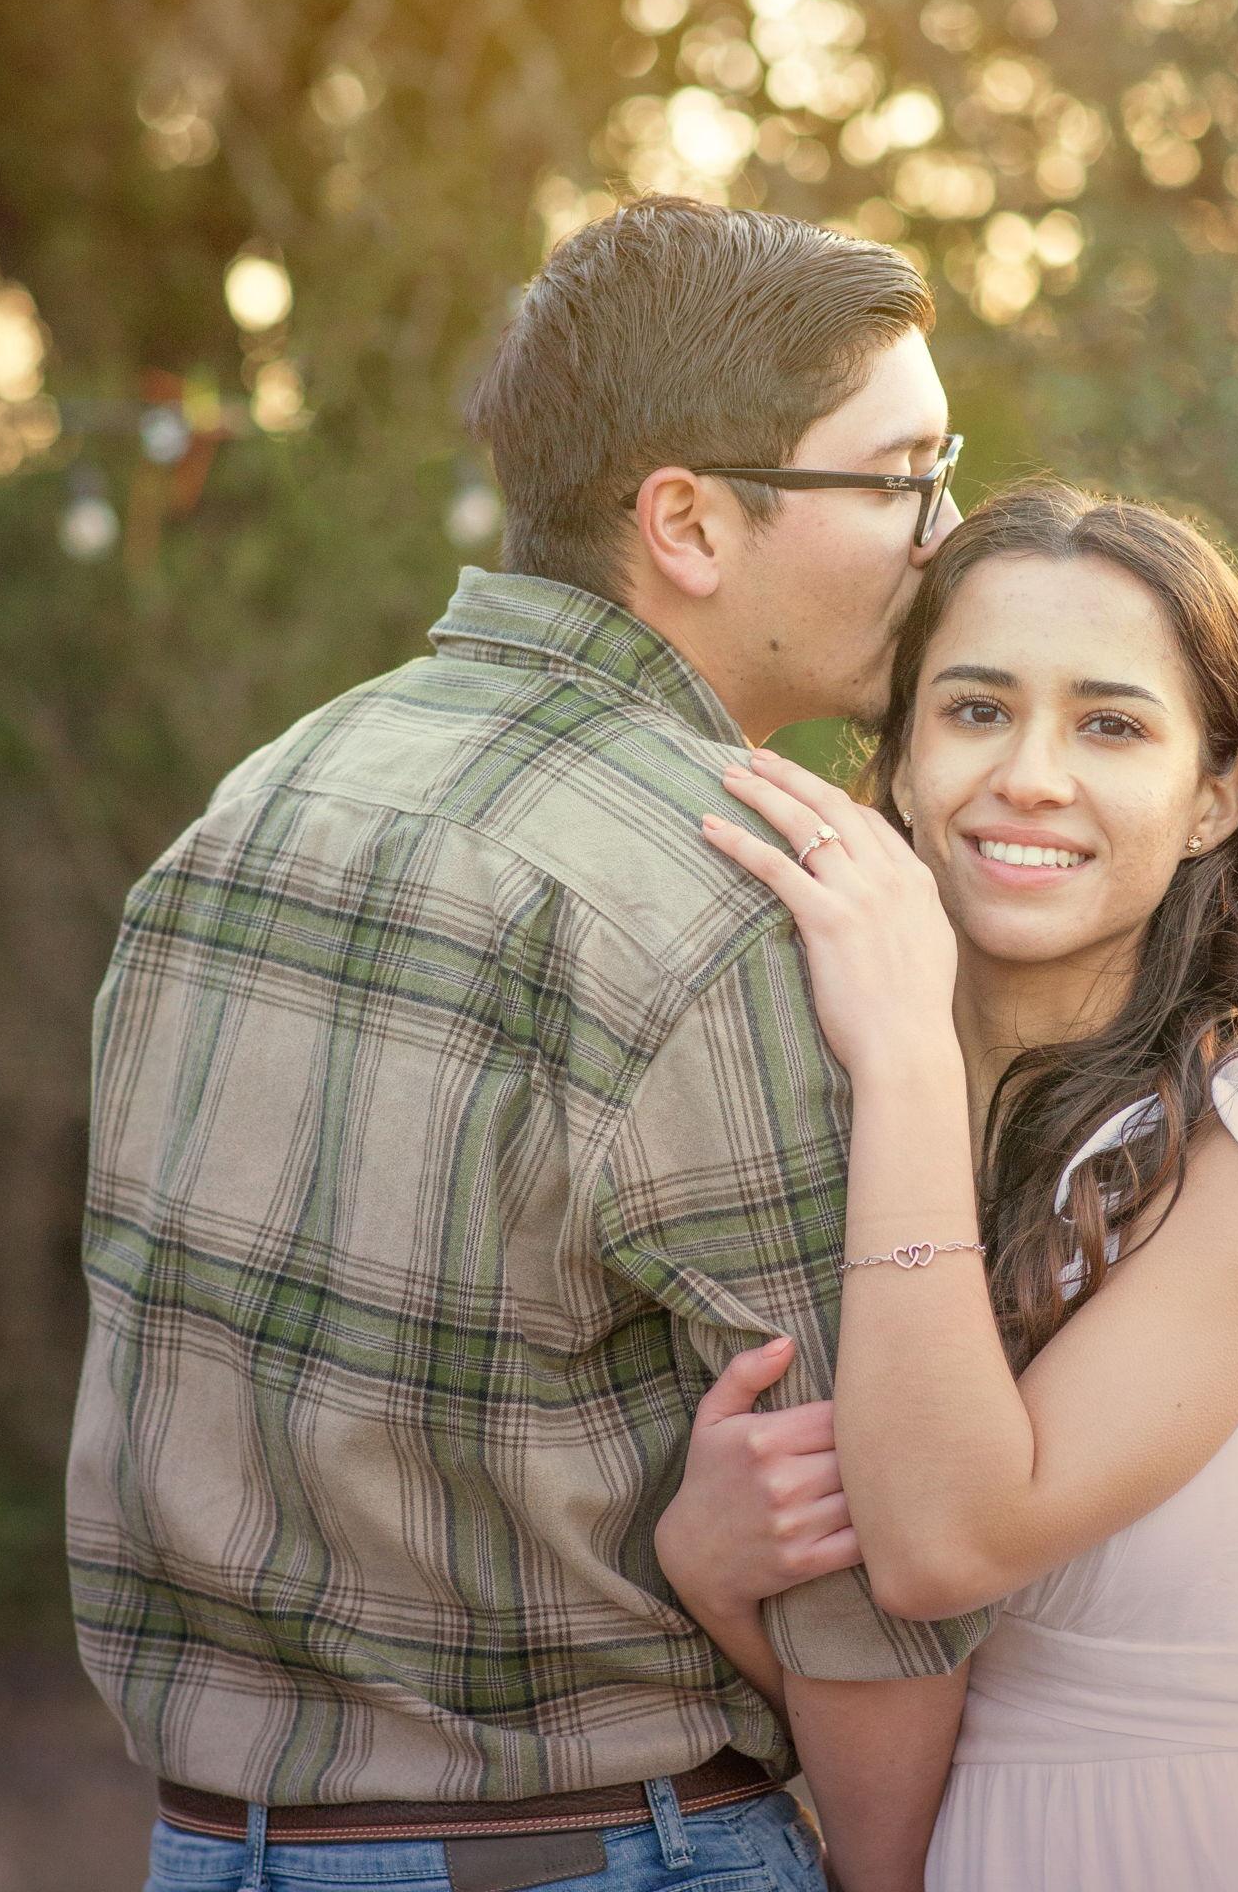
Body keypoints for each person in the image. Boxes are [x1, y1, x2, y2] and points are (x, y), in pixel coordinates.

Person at [64, 193, 991, 1892]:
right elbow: (867, 1575)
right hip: (591, 1852)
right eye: (903, 473)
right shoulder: (738, 899)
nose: (946, 528)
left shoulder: (255, 805)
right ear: (690, 525)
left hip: (210, 1851)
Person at [656, 482, 1238, 1891]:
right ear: (900, 763)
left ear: (1218, 795)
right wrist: (715, 1575)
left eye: (1111, 725)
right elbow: (883, 1725)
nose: (1030, 775)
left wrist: (906, 1054)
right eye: (975, 710)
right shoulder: (801, 1116)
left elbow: (943, 1546)